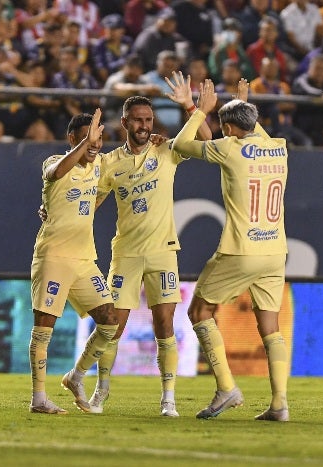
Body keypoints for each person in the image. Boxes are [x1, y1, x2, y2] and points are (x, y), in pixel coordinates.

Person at [86, 83, 211, 416]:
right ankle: (101, 390)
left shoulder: (167, 150)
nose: (144, 126)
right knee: (112, 326)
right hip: (125, 252)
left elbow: (208, 141)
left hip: (162, 252)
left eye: (148, 120)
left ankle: (168, 397)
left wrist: (190, 107)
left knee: (165, 325)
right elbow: (91, 203)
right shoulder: (109, 163)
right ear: (124, 123)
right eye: (137, 120)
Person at [171, 74, 290, 421]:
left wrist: (197, 111)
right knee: (270, 326)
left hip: (240, 250)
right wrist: (240, 102)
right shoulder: (277, 146)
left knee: (200, 313)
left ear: (229, 128)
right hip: (274, 251)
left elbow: (181, 145)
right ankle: (279, 404)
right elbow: (246, 131)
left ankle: (226, 387)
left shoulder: (228, 148)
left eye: (223, 127)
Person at [29, 109, 119, 414]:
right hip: (53, 256)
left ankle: (76, 376)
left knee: (110, 321)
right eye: (87, 139)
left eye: (99, 139)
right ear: (72, 139)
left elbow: (126, 156)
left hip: (83, 258)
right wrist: (87, 144)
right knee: (44, 328)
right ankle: (39, 398)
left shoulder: (99, 166)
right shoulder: (54, 162)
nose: (95, 145)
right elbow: (55, 174)